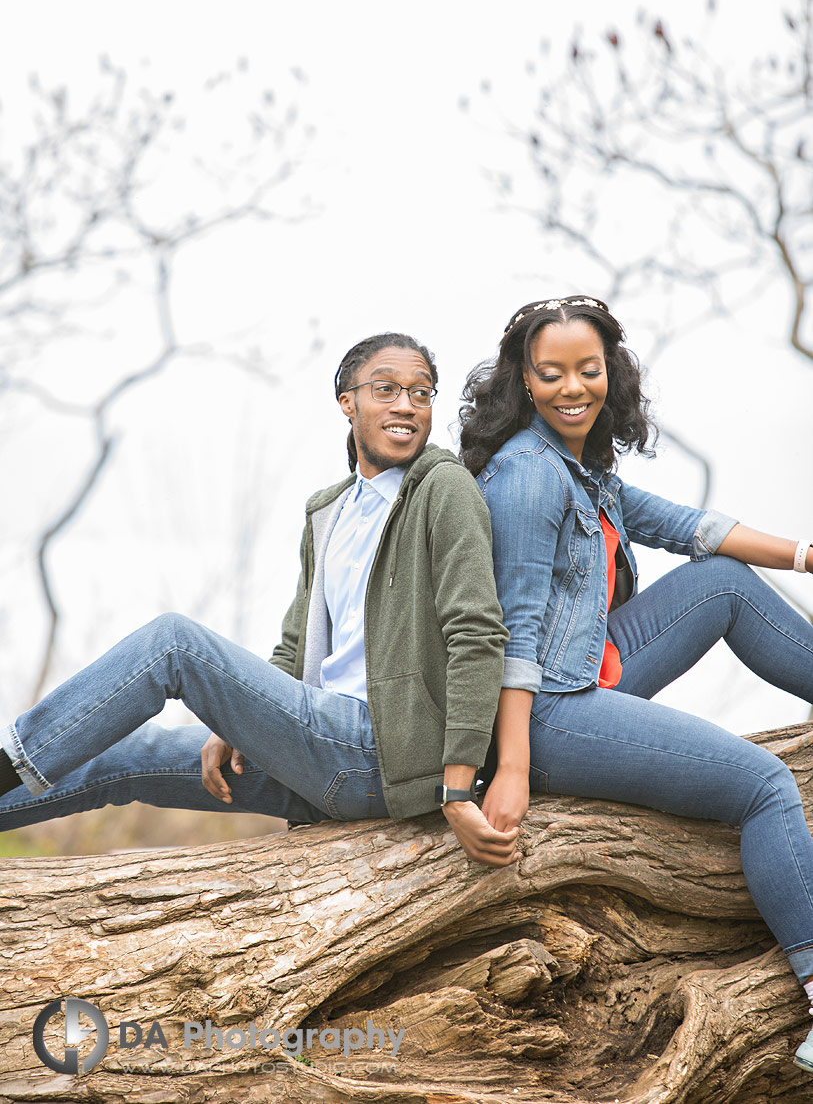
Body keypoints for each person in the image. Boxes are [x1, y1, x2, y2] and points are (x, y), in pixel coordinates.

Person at [458, 295, 813, 1073]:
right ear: (524, 379)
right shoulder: (526, 475)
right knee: (761, 784)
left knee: (721, 578)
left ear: (609, 372)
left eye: (587, 370)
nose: (571, 388)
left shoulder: (580, 467)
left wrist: (805, 553)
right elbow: (512, 634)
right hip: (546, 710)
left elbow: (689, 527)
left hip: (588, 663)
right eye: (550, 375)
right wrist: (512, 768)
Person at [0, 332, 515, 867]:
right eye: (386, 389)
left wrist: (456, 790)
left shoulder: (444, 489)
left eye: (421, 392)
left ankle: (7, 757)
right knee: (119, 757)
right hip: (318, 750)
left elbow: (477, 636)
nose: (406, 405)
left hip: (382, 754)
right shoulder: (329, 511)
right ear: (348, 401)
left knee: (174, 645)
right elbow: (295, 647)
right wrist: (235, 723)